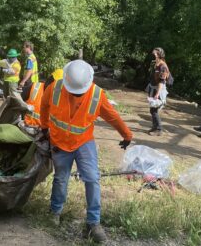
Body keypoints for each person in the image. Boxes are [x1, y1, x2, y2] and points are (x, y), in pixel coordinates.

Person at [40, 60, 133, 243]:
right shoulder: (55, 88)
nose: (77, 95)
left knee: (92, 178)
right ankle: (55, 211)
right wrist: (44, 127)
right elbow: (44, 106)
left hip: (83, 142)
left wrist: (126, 134)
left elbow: (112, 116)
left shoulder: (97, 95)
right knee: (60, 178)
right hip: (60, 143)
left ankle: (93, 223)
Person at [146, 47, 170, 136]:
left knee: (154, 110)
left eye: (155, 54)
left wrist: (157, 94)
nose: (153, 55)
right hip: (153, 88)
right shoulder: (155, 64)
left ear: (159, 55)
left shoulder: (163, 66)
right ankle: (154, 127)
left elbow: (161, 82)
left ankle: (159, 129)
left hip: (159, 90)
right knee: (152, 110)